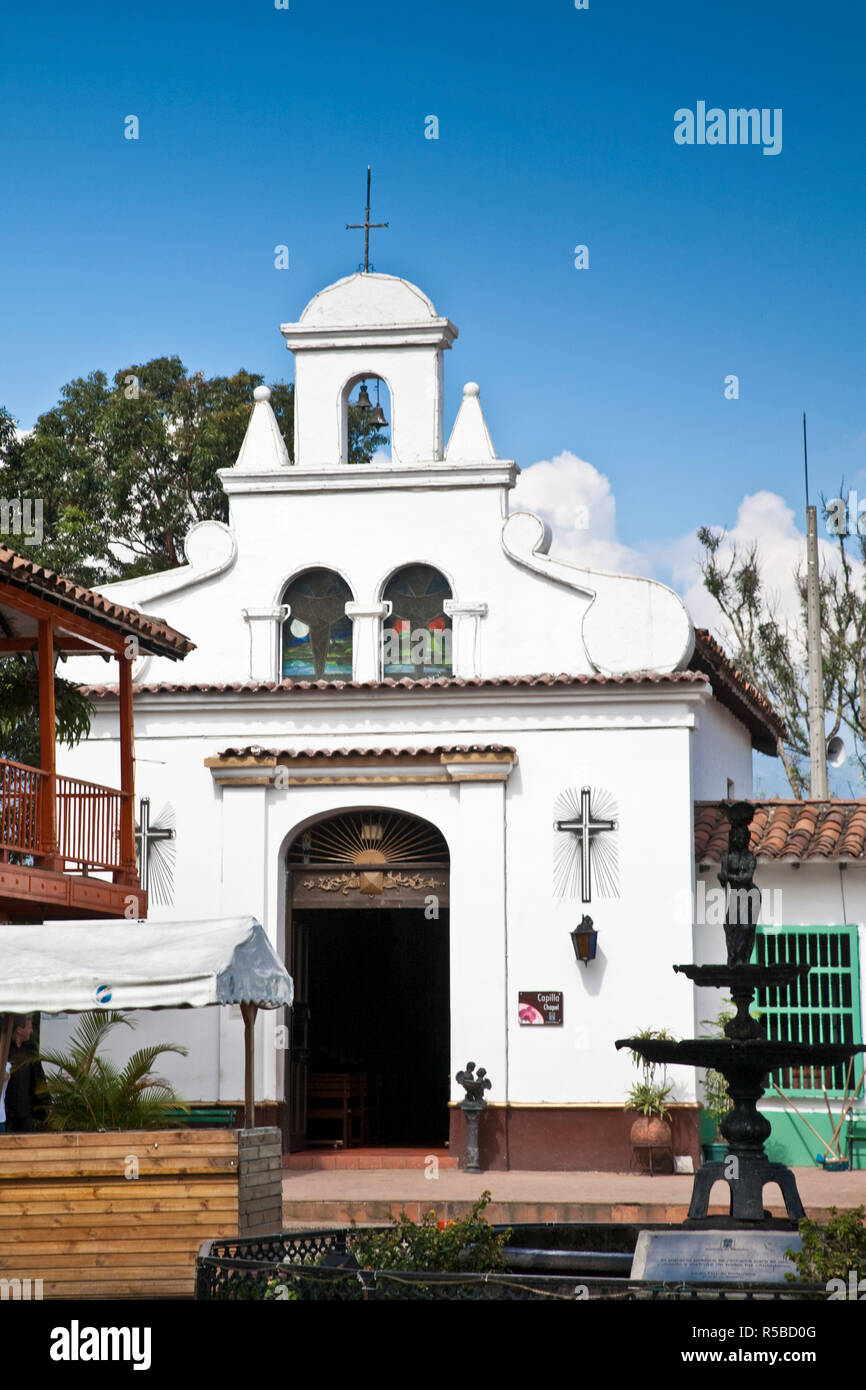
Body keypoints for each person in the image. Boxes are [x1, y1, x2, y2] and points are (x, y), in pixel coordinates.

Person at [5, 1015, 48, 1133]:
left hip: (26, 1109)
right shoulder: (5, 1049)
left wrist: (46, 1101)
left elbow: (39, 1076)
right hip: (7, 1108)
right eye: (29, 1027)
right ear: (19, 1029)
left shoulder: (30, 1048)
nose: (32, 1031)